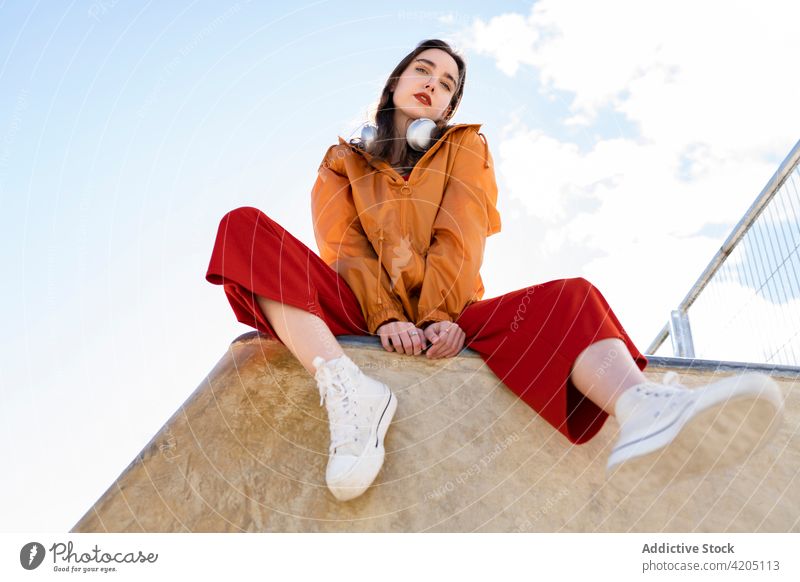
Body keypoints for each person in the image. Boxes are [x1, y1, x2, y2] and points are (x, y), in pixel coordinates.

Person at [206, 39, 784, 502]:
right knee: (244, 230)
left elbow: (463, 233)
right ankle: (348, 389)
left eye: (447, 83)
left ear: (451, 107)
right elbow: (344, 246)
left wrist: (439, 317)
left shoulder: (466, 146)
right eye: (422, 71)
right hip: (361, 310)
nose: (433, 83)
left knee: (572, 296)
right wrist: (383, 319)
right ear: (396, 83)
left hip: (454, 313)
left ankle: (641, 406)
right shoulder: (343, 161)